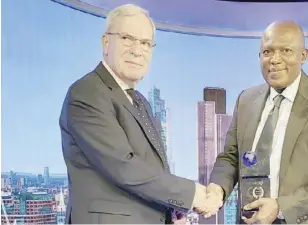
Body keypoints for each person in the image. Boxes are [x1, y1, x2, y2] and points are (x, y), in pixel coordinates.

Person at [59, 4, 219, 224]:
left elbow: (153, 170)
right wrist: (192, 195)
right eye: (127, 38)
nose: (137, 50)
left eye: (145, 43)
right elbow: (124, 166)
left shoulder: (140, 102)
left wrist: (172, 210)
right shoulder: (87, 93)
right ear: (106, 43)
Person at [207, 20, 308, 224]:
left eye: (285, 50)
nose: (275, 60)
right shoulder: (246, 100)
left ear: (302, 56)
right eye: (267, 52)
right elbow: (231, 157)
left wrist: (281, 207)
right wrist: (218, 188)